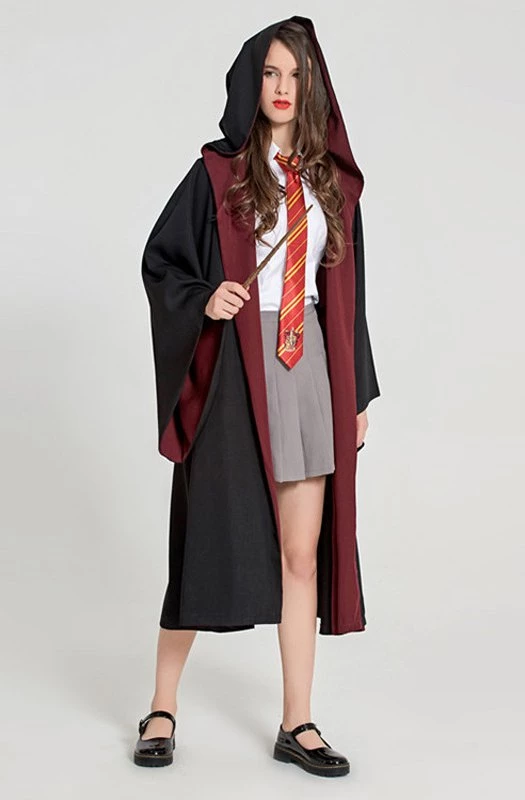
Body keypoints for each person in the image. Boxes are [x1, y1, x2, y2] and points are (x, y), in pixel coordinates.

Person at [134, 15, 380, 777]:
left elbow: (350, 297)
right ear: (251, 80)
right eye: (270, 72)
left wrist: (359, 394)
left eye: (295, 76)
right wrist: (205, 299)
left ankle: (296, 721)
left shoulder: (331, 184)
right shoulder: (217, 175)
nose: (281, 87)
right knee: (205, 537)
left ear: (312, 88)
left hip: (309, 368)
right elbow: (161, 263)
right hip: (237, 367)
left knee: (300, 554)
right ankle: (161, 705)